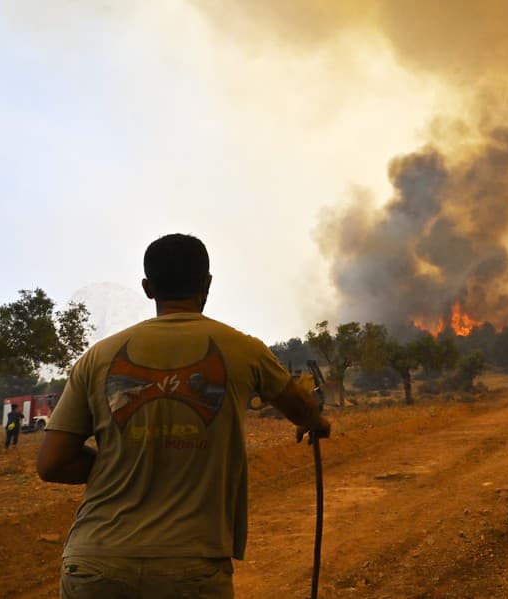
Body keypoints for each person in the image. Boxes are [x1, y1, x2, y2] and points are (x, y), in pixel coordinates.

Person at [36, 233, 330, 598]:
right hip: (190, 569)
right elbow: (302, 407)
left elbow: (51, 464)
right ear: (207, 283)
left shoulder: (98, 357)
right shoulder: (244, 349)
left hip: (96, 563)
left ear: (148, 288)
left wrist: (118, 464)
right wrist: (314, 422)